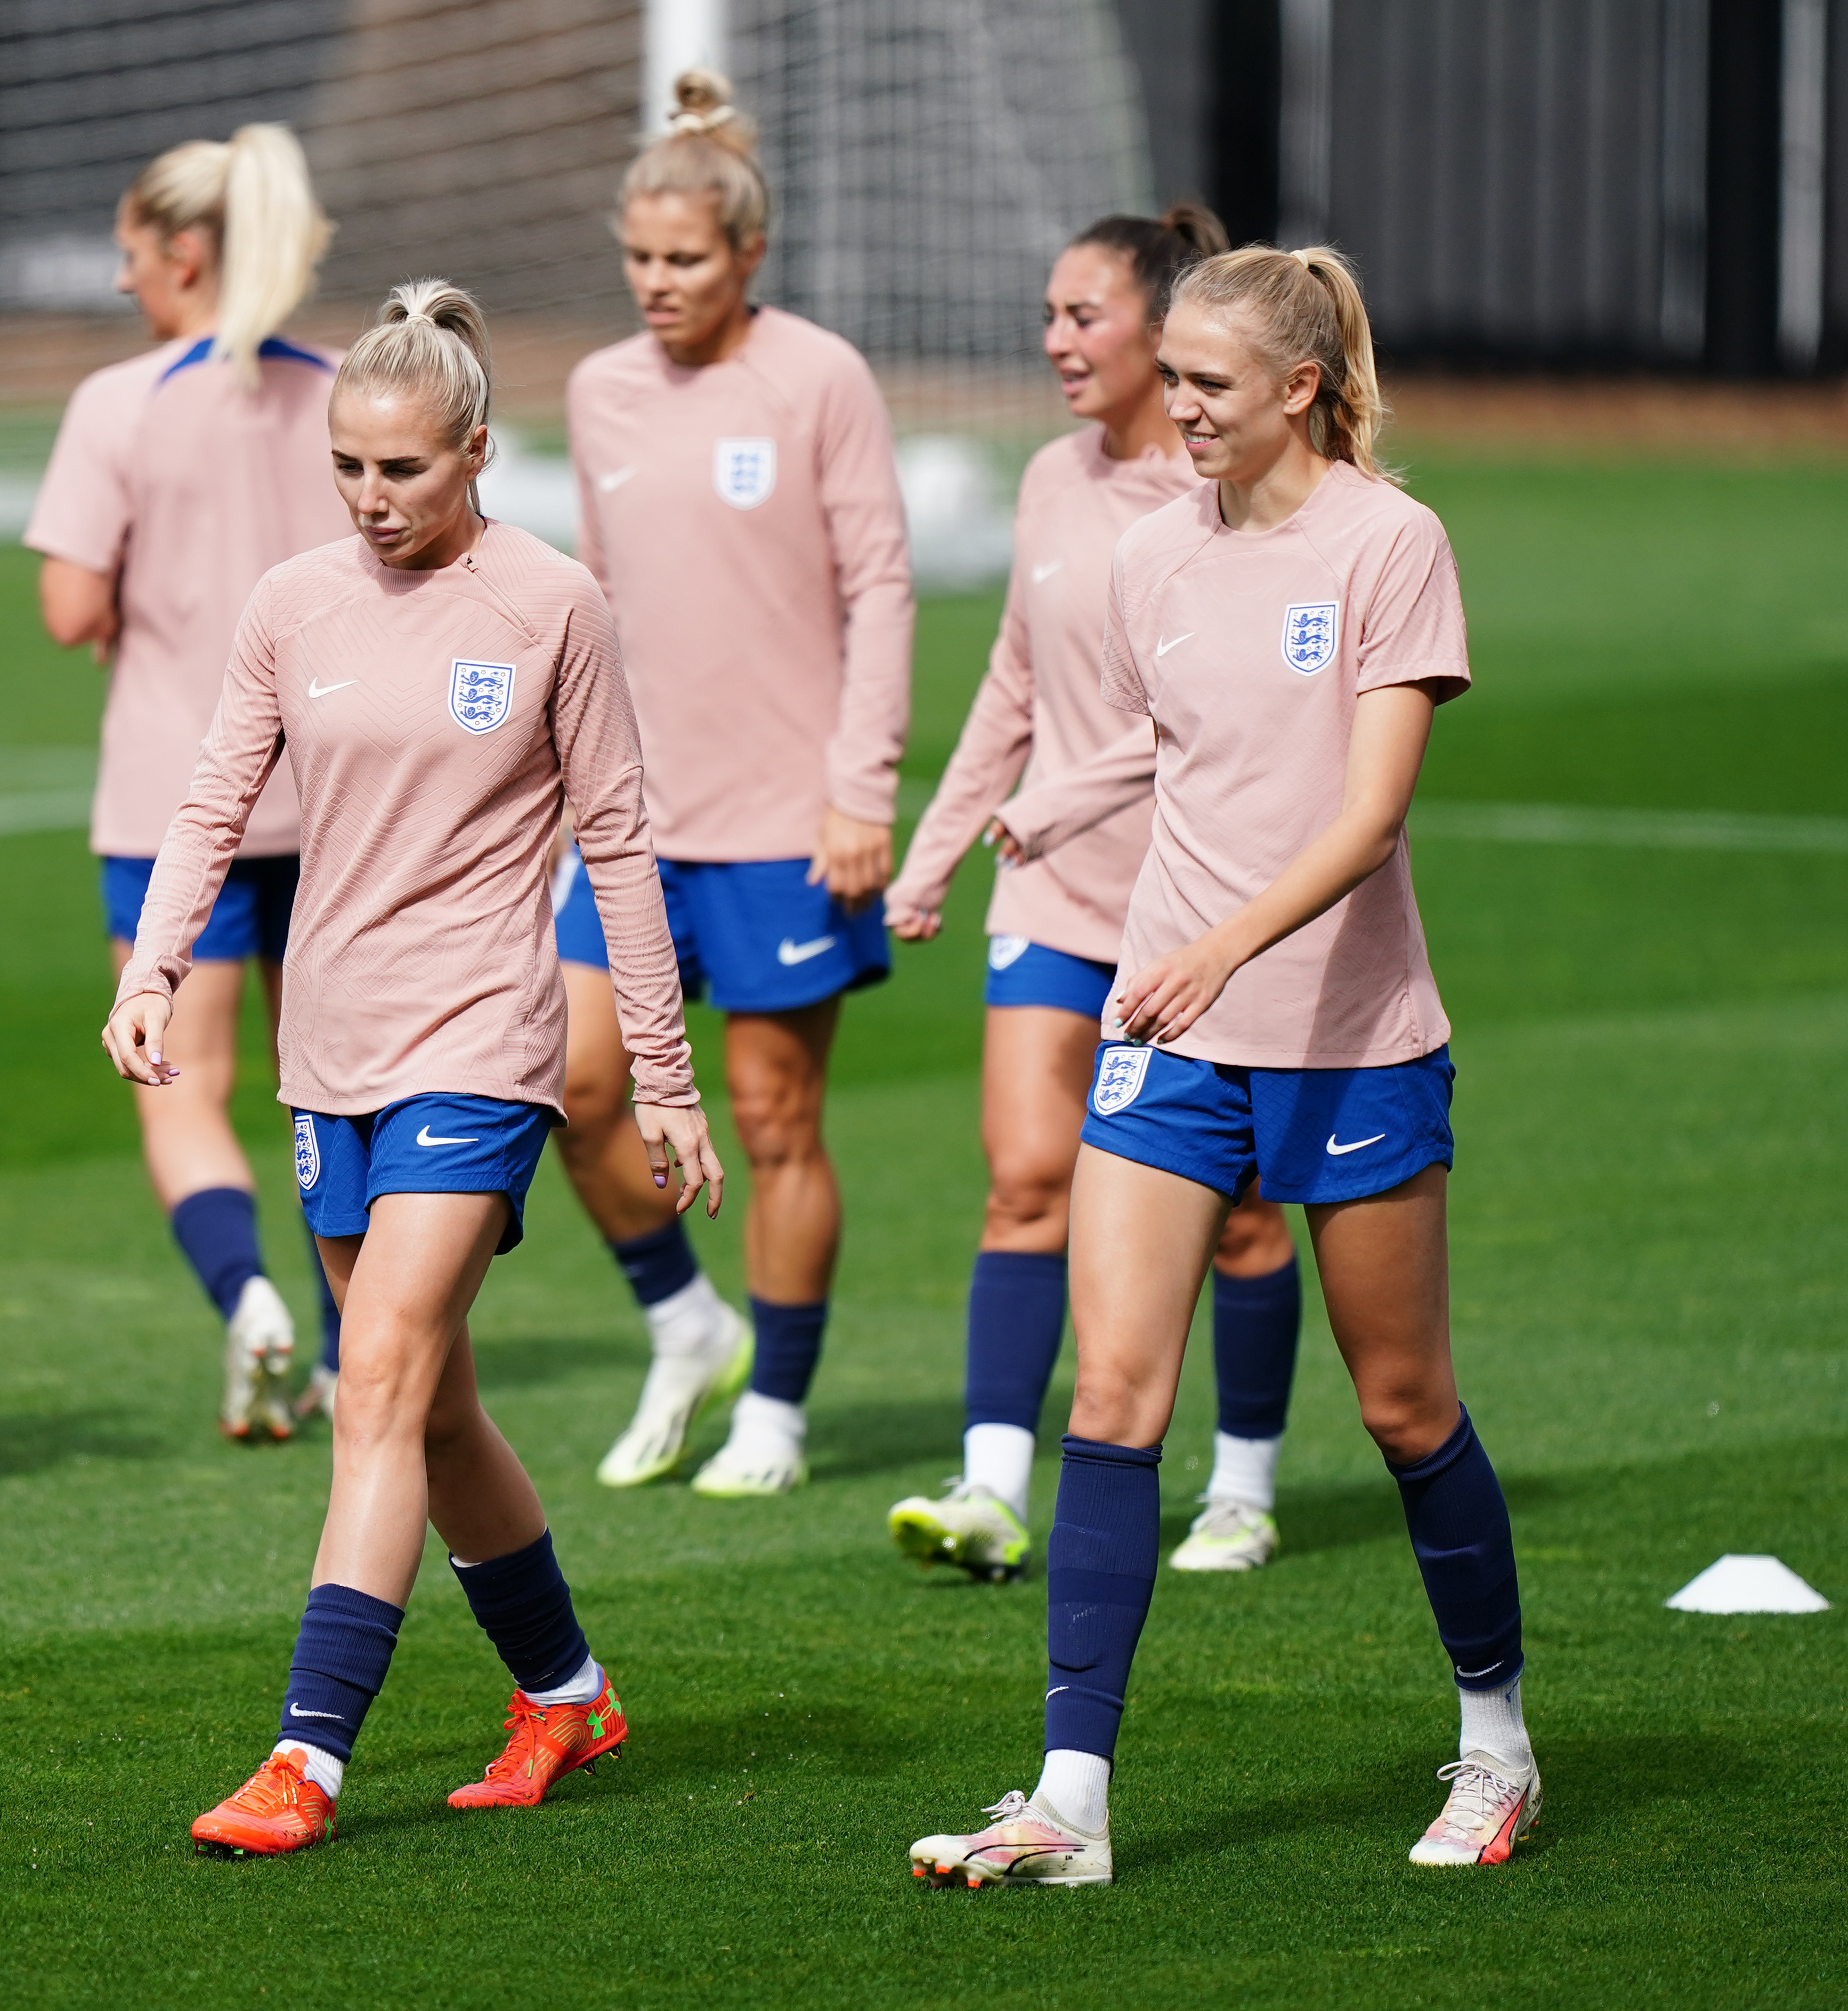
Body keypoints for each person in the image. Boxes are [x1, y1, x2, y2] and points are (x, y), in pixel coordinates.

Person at [907, 246, 1537, 1885]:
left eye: (1201, 381)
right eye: (1166, 375)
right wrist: (1056, 800)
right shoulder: (1147, 557)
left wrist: (1216, 944)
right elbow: (1181, 735)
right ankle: (1069, 1800)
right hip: (1164, 1036)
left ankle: (1495, 1742)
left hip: (1344, 1036)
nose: (1170, 405)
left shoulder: (1391, 543)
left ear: (1298, 389)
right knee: (1112, 1396)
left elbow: (1363, 806)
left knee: (1403, 1404)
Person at [103, 281, 724, 1854]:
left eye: (404, 470)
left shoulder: (550, 606)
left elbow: (623, 844)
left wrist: (660, 1073)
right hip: (331, 1051)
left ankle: (305, 1756)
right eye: (349, 470)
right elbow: (209, 804)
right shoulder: (289, 604)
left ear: (475, 453)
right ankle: (565, 1688)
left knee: (370, 1373)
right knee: (433, 1405)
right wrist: (154, 959)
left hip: (482, 1044)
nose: (374, 501)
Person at [882, 204, 1308, 1585]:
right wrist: (935, 846)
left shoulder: (1222, 505)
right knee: (1021, 1178)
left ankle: (1241, 1482)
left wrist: (1071, 791)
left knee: (1239, 1210)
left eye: (1085, 315)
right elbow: (1014, 680)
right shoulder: (1052, 484)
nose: (1056, 339)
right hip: (1054, 896)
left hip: (1198, 907)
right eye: (1050, 314)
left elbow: (1210, 715)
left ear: (1164, 332)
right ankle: (993, 1486)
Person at [560, 69, 915, 1497]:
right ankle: (680, 1314)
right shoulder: (595, 391)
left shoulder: (818, 376)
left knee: (772, 1119)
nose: (658, 284)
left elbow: (881, 586)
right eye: (639, 259)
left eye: (685, 259)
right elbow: (591, 597)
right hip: (630, 821)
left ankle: (774, 1401)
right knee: (577, 1089)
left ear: (747, 253)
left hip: (783, 820)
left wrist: (860, 788)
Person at [28, 124, 345, 1443]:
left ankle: (250, 1298)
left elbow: (64, 606)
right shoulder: (345, 387)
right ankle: (350, 1353)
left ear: (185, 251)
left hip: (178, 800)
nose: (120, 283)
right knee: (334, 1086)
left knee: (184, 1083)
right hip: (335, 795)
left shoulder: (122, 403)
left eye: (128, 254)